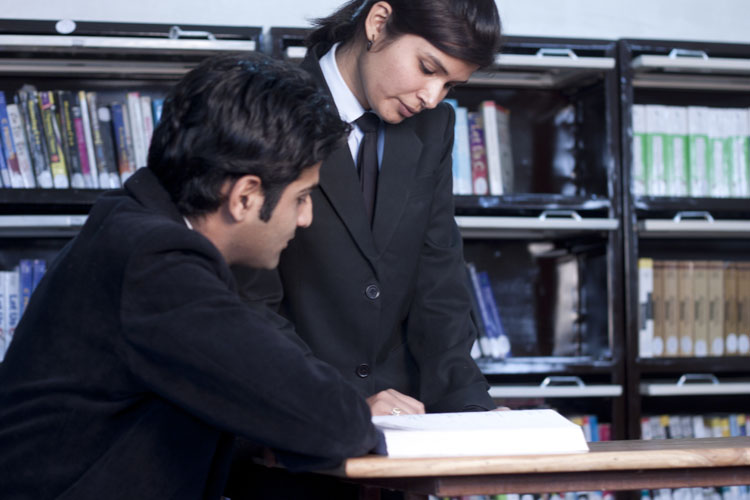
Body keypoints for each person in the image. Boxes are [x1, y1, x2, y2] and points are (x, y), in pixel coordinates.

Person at [0, 53, 384, 499]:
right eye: (301, 197)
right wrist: (356, 410)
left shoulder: (130, 224)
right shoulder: (156, 264)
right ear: (244, 196)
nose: (306, 218)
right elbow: (333, 424)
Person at [234, 0, 502, 419]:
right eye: (427, 68)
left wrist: (470, 408)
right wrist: (341, 405)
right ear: (378, 23)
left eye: (451, 85)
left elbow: (438, 277)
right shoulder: (269, 105)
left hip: (402, 419)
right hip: (290, 412)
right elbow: (250, 295)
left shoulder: (434, 127)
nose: (432, 97)